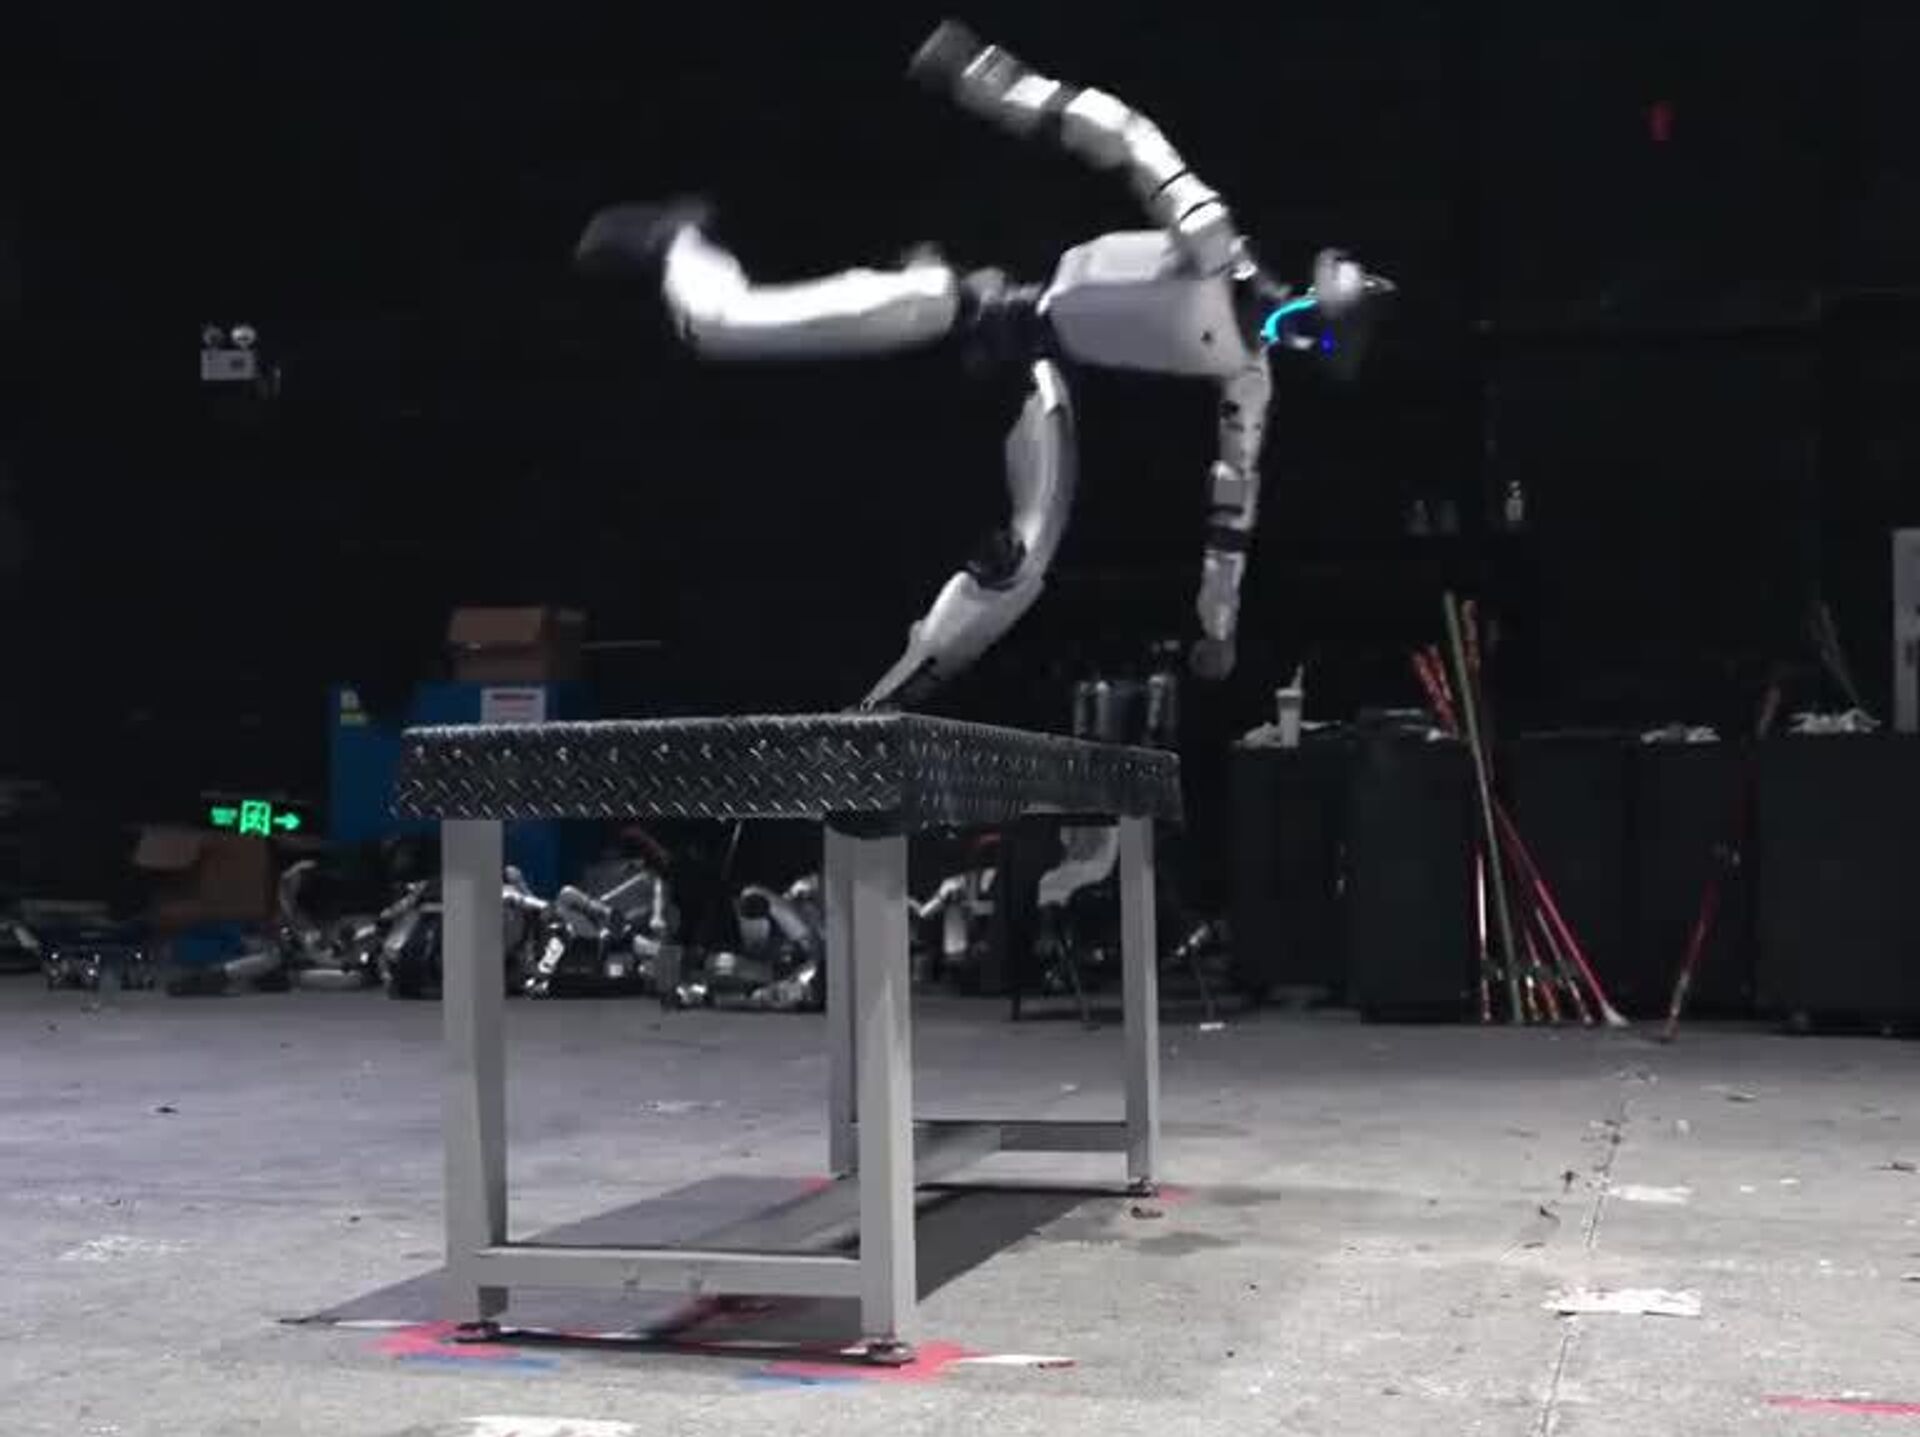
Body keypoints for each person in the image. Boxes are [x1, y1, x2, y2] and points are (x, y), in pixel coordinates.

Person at [577, 20, 1392, 711]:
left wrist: (1217, 625)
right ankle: (677, 241)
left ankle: (882, 715)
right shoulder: (1212, 241)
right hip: (974, 306)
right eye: (1319, 325)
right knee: (724, 327)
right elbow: (1122, 136)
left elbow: (1232, 509)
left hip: (1039, 373)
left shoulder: (1250, 381)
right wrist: (986, 79)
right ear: (1311, 291)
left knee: (1021, 565)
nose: (1306, 338)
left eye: (1323, 345)